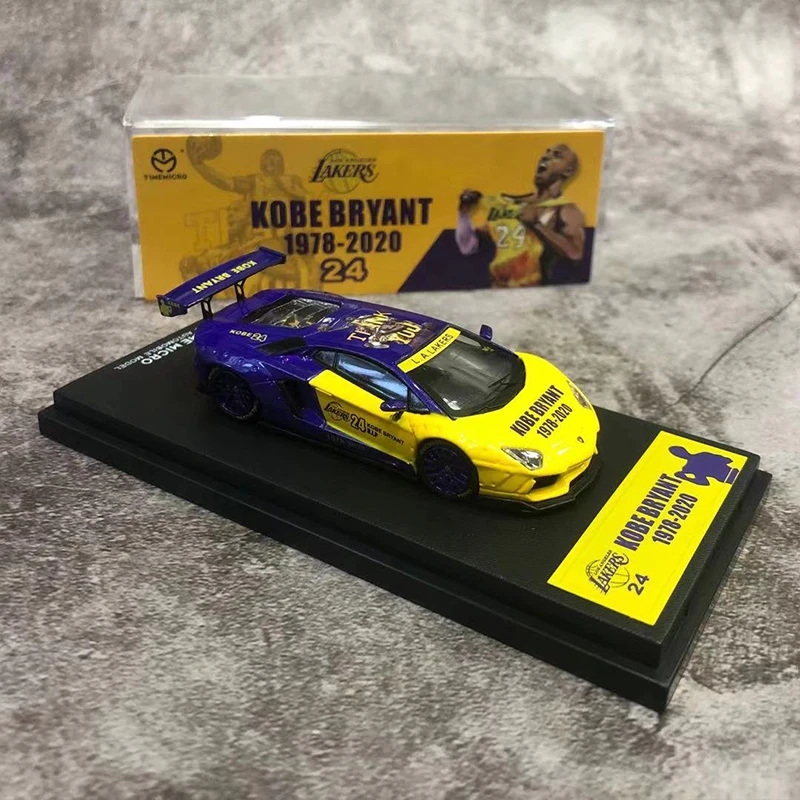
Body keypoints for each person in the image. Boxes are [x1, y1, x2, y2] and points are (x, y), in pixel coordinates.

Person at [455, 143, 585, 286]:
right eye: (546, 152)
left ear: (567, 171)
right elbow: (468, 246)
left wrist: (536, 225)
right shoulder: (508, 204)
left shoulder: (566, 209)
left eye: (557, 155)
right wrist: (464, 213)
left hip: (533, 289)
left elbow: (575, 255)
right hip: (497, 289)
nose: (546, 156)